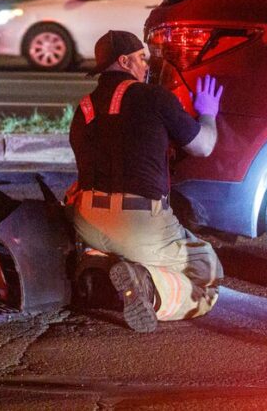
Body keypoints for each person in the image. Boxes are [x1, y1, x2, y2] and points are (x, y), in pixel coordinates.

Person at [66, 30, 224, 332]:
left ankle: (100, 270)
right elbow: (203, 146)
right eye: (141, 58)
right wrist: (207, 114)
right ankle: (149, 289)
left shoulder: (84, 107)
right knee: (206, 273)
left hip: (88, 223)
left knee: (125, 246)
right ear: (124, 61)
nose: (146, 65)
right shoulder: (155, 97)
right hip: (138, 225)